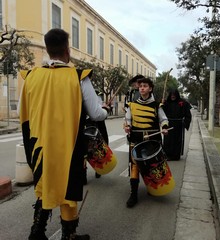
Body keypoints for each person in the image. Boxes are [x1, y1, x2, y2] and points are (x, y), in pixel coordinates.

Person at [19, 28, 109, 240]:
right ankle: (69, 235)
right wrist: (105, 110)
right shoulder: (78, 77)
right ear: (67, 50)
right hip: (69, 146)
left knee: (45, 185)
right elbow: (96, 113)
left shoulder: (30, 77)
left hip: (40, 146)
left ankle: (37, 232)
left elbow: (24, 116)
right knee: (69, 189)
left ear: (48, 50)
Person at [124, 77, 169, 208]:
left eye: (145, 86)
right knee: (135, 166)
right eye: (140, 86)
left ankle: (153, 187)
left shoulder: (157, 105)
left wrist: (165, 128)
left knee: (152, 166)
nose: (142, 88)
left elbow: (164, 119)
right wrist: (127, 127)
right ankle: (133, 194)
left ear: (150, 88)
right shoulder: (131, 105)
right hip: (136, 139)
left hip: (152, 140)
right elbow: (127, 120)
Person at [84, 89, 109, 182]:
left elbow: (100, 113)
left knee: (100, 146)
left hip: (98, 124)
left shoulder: (96, 94)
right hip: (88, 124)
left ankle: (98, 169)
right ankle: (83, 174)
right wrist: (105, 109)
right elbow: (97, 113)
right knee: (86, 150)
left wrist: (105, 109)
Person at [162, 89, 192, 161]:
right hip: (168, 124)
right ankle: (167, 155)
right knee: (167, 140)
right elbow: (162, 113)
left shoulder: (183, 102)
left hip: (178, 125)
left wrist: (185, 123)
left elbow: (188, 114)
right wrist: (162, 104)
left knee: (177, 140)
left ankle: (176, 156)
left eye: (174, 95)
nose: (172, 96)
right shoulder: (166, 103)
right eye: (171, 95)